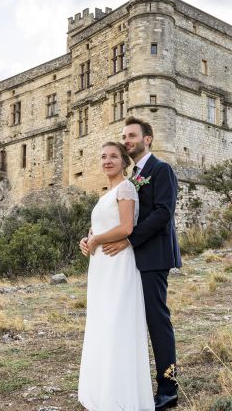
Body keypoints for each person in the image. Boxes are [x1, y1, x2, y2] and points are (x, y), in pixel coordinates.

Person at [100, 116, 182, 411]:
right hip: (133, 259)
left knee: (157, 319)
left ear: (148, 138)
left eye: (132, 136)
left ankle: (169, 386)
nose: (126, 140)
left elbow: (163, 213)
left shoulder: (161, 170)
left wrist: (129, 240)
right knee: (134, 320)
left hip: (155, 255)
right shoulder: (133, 176)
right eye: (124, 136)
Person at [78, 141, 155, 411]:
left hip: (118, 263)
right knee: (101, 322)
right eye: (103, 157)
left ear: (124, 162)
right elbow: (99, 227)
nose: (107, 161)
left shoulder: (126, 188)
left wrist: (97, 238)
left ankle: (119, 396)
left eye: (113, 156)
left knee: (115, 322)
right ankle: (101, 390)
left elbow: (125, 227)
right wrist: (87, 240)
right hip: (101, 266)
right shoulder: (104, 195)